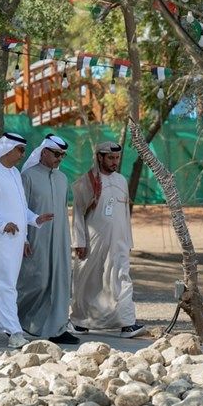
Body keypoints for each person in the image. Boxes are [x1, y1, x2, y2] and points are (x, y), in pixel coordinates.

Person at [0, 133, 55, 348]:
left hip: (14, 241)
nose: (22, 155)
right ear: (7, 149)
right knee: (6, 286)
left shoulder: (15, 173)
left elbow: (18, 208)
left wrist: (35, 219)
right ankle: (15, 333)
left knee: (4, 285)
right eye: (19, 150)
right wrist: (1, 224)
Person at [70, 140, 145, 338]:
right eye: (110, 158)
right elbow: (78, 213)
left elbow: (124, 214)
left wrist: (128, 240)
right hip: (93, 241)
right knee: (89, 281)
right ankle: (80, 322)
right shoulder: (87, 182)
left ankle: (127, 323)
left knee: (121, 278)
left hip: (119, 242)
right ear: (100, 157)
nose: (114, 162)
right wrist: (79, 242)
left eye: (117, 158)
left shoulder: (121, 180)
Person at [17, 133, 79, 344]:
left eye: (62, 155)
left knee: (60, 281)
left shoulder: (62, 178)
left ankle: (58, 328)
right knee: (37, 281)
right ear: (44, 152)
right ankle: (21, 322)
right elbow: (20, 209)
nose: (59, 159)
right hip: (37, 237)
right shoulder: (28, 176)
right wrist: (24, 238)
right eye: (56, 154)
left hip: (60, 238)